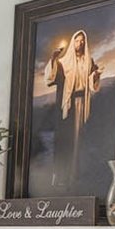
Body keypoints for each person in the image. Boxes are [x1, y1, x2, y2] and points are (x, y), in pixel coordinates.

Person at [46, 29, 101, 190]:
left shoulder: (88, 61)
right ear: (73, 42)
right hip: (67, 105)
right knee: (65, 140)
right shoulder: (63, 62)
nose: (80, 43)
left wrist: (96, 74)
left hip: (82, 104)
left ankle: (78, 175)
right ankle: (61, 176)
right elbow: (51, 78)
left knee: (80, 139)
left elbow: (92, 80)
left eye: (83, 40)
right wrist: (53, 58)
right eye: (77, 40)